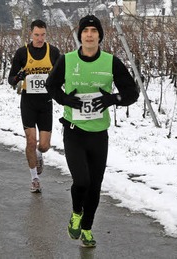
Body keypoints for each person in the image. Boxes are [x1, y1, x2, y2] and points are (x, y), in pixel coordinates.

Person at [45, 15, 138, 248]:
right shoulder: (66, 60)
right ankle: (76, 212)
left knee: (95, 186)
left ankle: (86, 228)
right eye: (85, 31)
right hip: (74, 131)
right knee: (82, 180)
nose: (89, 34)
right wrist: (65, 99)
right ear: (80, 36)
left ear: (99, 36)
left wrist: (112, 99)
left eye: (93, 31)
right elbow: (51, 85)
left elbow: (131, 92)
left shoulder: (111, 62)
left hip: (99, 134)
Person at [8, 20, 61, 193]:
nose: (39, 38)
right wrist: (19, 76)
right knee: (30, 141)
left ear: (46, 34)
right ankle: (34, 179)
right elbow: (11, 80)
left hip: (45, 103)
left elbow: (62, 76)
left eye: (43, 35)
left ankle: (38, 155)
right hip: (28, 102)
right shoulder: (22, 53)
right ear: (30, 34)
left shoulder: (53, 52)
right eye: (36, 35)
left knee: (44, 145)